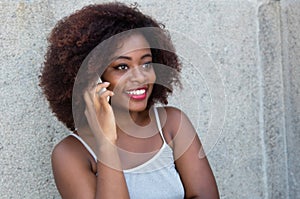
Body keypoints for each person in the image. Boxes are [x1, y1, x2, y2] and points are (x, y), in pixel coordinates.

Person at [40, 2, 219, 199]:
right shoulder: (71, 154)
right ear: (91, 78)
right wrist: (106, 143)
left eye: (146, 63)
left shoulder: (172, 124)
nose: (140, 77)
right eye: (122, 67)